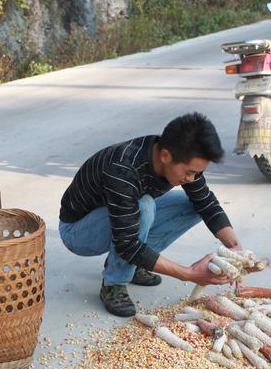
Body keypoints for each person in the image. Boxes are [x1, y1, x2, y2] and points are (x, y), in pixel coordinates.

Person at [58, 112, 243, 316]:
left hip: (120, 216)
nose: (192, 178)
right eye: (189, 172)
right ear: (165, 156)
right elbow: (126, 243)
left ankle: (135, 264)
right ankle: (114, 283)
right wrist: (188, 274)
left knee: (193, 205)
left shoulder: (178, 154)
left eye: (197, 173)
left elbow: (205, 202)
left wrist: (235, 248)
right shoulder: (123, 169)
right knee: (144, 206)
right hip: (78, 231)